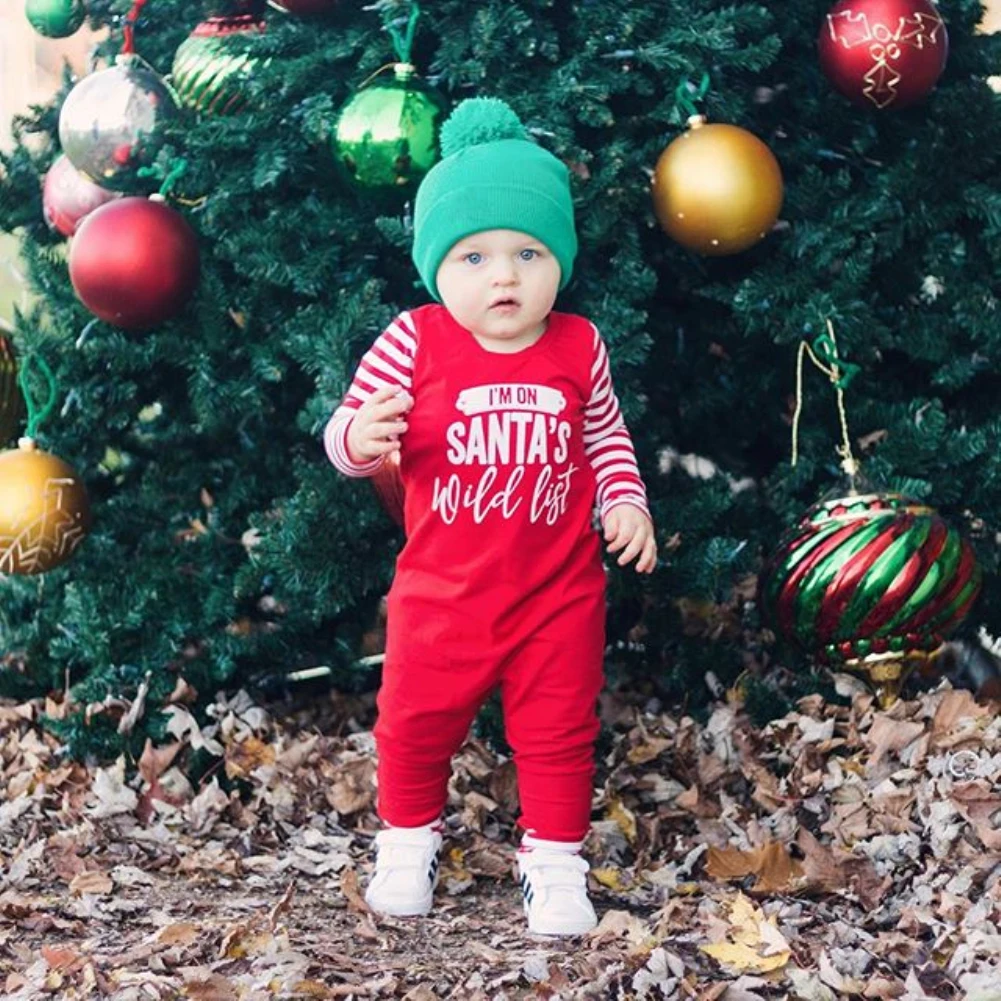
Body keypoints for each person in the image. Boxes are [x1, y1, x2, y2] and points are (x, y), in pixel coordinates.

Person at [325, 97, 656, 937]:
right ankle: (406, 843)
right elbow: (345, 432)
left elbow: (604, 435)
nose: (503, 277)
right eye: (473, 256)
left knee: (557, 729)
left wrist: (624, 500)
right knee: (412, 719)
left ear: (559, 262)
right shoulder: (415, 339)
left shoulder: (578, 345)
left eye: (527, 253)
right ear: (436, 266)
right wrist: (359, 438)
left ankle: (555, 860)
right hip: (443, 590)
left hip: (556, 592)